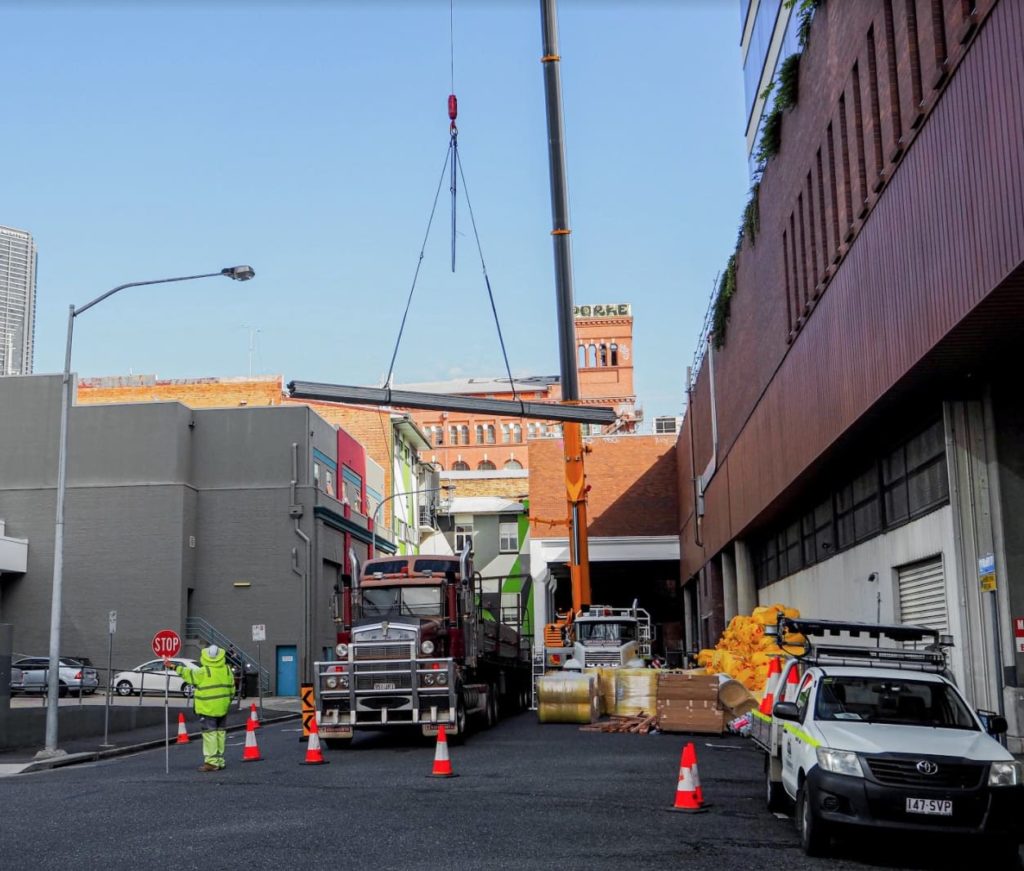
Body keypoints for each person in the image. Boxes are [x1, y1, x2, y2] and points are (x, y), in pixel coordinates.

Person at [165, 644, 235, 772]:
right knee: (220, 734)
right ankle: (219, 760)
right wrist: (226, 702)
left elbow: (188, 674)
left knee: (210, 735)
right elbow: (232, 689)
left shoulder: (204, 671)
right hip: (223, 708)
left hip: (208, 708)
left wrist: (173, 666)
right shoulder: (227, 670)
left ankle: (211, 762)